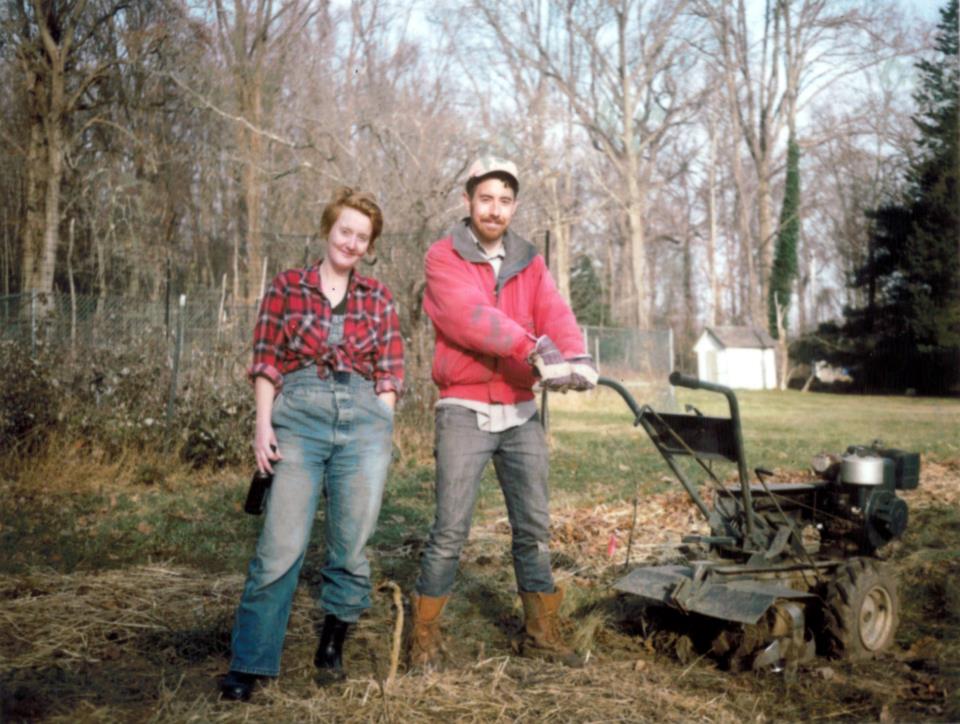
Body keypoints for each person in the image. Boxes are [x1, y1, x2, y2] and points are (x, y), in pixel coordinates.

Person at [407, 157, 597, 670]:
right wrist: (534, 348)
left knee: (533, 527)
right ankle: (423, 637)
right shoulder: (443, 256)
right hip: (463, 408)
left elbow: (554, 310)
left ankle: (540, 631)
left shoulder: (528, 260)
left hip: (519, 409)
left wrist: (574, 356)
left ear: (514, 206)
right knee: (450, 531)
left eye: (505, 200)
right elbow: (470, 318)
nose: (495, 209)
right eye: (486, 198)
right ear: (468, 200)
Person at [220, 187, 403, 701]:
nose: (351, 242)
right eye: (345, 230)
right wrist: (264, 425)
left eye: (362, 237)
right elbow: (266, 360)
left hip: (364, 423)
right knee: (280, 546)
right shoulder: (287, 287)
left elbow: (389, 373)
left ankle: (331, 646)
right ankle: (250, 662)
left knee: (351, 545)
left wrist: (378, 423)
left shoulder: (379, 297)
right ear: (328, 230)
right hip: (298, 418)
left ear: (369, 246)